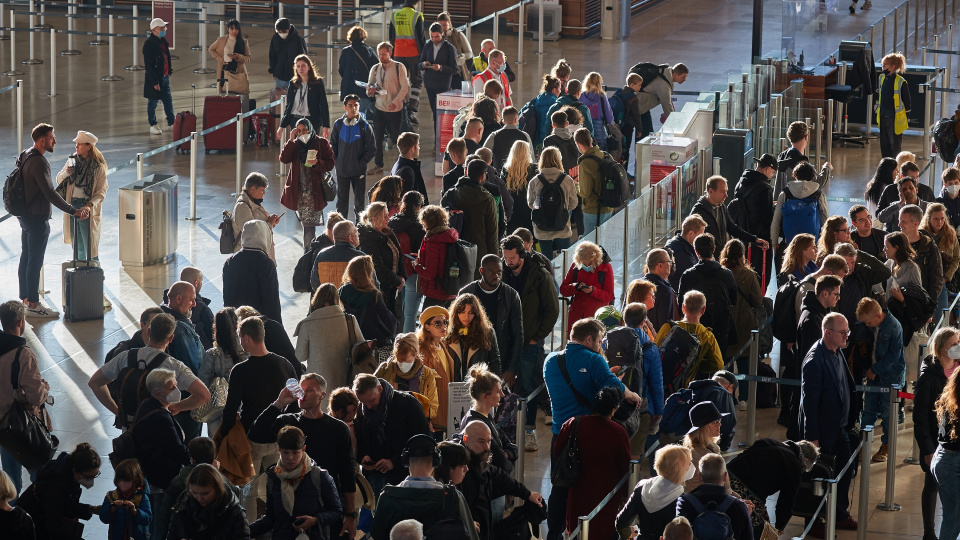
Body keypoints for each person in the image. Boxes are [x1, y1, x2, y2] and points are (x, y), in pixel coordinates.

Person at [542, 318, 639, 540]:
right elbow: (611, 385)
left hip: (560, 433)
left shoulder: (550, 360)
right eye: (599, 341)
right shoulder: (594, 359)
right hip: (588, 433)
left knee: (559, 488)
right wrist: (631, 394)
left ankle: (554, 533)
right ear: (588, 339)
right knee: (585, 490)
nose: (601, 345)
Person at [248, 374, 358, 539]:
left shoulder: (338, 428)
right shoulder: (288, 422)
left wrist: (351, 514)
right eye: (301, 389)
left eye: (310, 390)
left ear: (322, 395)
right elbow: (256, 434)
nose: (303, 394)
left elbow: (347, 471)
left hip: (324, 505)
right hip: (289, 506)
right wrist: (280, 403)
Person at [221, 316, 298, 520]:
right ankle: (281, 523)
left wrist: (224, 435)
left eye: (239, 337)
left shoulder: (240, 370)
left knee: (249, 489)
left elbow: (230, 409)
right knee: (280, 485)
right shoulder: (284, 364)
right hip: (278, 437)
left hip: (252, 438)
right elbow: (297, 399)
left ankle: (251, 529)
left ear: (247, 338)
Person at [89, 313, 211, 432]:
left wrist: (118, 411)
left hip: (129, 432)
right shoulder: (174, 366)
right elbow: (204, 395)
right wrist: (176, 407)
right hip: (158, 431)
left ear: (148, 332)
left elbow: (95, 382)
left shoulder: (126, 356)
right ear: (171, 338)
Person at [17, 124, 90, 318]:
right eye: (51, 137)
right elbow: (49, 193)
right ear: (42, 141)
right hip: (36, 218)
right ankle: (33, 304)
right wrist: (72, 210)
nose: (54, 141)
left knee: (26, 256)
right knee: (35, 260)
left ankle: (25, 299)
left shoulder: (25, 155)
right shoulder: (39, 162)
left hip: (24, 215)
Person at [799, 313, 859, 533]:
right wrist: (812, 438)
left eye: (847, 332)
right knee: (819, 478)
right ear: (828, 332)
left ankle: (839, 514)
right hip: (822, 432)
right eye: (843, 333)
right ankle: (814, 522)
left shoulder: (837, 351)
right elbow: (810, 403)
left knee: (845, 470)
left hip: (840, 427)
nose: (847, 336)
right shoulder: (815, 361)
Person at [501, 234, 560, 449]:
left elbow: (552, 310)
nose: (508, 262)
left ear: (522, 255)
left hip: (529, 342)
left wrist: (537, 337)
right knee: (504, 386)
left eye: (512, 258)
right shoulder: (501, 273)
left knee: (528, 386)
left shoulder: (539, 276)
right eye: (505, 257)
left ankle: (527, 431)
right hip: (506, 341)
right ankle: (504, 429)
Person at [555, 386, 631, 540]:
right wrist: (625, 495)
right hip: (607, 493)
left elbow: (557, 451)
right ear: (613, 409)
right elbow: (625, 467)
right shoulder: (618, 431)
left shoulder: (572, 424)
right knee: (603, 529)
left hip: (578, 488)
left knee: (578, 528)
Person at [371, 435, 479, 540]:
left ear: (405, 460)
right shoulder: (453, 497)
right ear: (437, 461)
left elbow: (377, 534)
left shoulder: (387, 497)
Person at [249, 425, 344, 540]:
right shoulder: (274, 477)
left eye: (295, 452)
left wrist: (315, 520)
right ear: (278, 449)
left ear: (303, 449)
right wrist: (243, 532)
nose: (290, 457)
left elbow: (336, 511)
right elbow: (270, 518)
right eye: (285, 452)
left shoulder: (319, 476)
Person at [128, 367, 190, 538]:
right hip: (162, 476)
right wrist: (195, 460)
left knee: (154, 518)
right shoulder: (161, 417)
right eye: (172, 388)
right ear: (158, 393)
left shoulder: (146, 404)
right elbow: (176, 449)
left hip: (149, 470)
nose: (177, 390)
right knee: (161, 524)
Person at [459, 421, 543, 540]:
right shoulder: (457, 466)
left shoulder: (481, 462)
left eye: (489, 441)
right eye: (481, 441)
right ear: (465, 439)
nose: (486, 447)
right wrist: (463, 522)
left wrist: (527, 494)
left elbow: (502, 478)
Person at [353, 373, 432, 496]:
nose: (368, 406)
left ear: (380, 389)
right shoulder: (362, 409)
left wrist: (394, 461)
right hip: (374, 475)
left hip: (403, 475)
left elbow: (422, 441)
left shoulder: (408, 404)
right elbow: (361, 437)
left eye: (372, 401)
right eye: (363, 402)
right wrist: (364, 456)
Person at [0, 300, 49, 495]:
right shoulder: (23, 354)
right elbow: (36, 396)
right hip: (24, 426)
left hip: (3, 428)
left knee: (11, 483)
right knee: (40, 476)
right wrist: (44, 388)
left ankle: (9, 519)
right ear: (20, 322)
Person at [726, 438, 819, 539]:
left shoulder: (772, 442)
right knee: (763, 532)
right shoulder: (794, 465)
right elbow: (786, 500)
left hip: (726, 477)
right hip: (747, 490)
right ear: (806, 460)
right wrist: (780, 526)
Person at [915, 327, 958, 540]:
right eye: (954, 344)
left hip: (955, 440)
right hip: (938, 443)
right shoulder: (929, 377)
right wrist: (928, 448)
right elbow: (920, 417)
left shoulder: (958, 371)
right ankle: (929, 532)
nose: (958, 347)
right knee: (931, 486)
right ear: (942, 349)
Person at [17, 442, 101, 540]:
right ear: (76, 470)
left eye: (95, 475)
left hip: (41, 520)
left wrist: (91, 509)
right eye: (89, 477)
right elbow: (54, 529)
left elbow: (66, 504)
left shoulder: (69, 473)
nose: (91, 481)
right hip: (27, 529)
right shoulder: (55, 487)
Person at [856, 298, 905, 462]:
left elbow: (894, 355)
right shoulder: (871, 324)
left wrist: (874, 370)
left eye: (869, 322)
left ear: (878, 315)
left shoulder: (894, 326)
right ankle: (863, 445)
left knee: (888, 413)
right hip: (873, 374)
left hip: (890, 376)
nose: (867, 325)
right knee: (868, 409)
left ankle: (887, 445)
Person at [677, 233, 739, 355]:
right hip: (721, 327)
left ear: (696, 251)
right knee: (719, 363)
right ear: (714, 249)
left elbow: (681, 304)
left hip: (696, 328)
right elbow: (734, 300)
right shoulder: (726, 274)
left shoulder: (688, 275)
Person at [460, 255, 523, 374]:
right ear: (481, 271)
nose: (496, 276)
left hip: (500, 359)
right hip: (471, 360)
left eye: (499, 272)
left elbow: (517, 334)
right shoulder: (466, 293)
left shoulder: (510, 295)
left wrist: (511, 370)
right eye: (491, 272)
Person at [294, 284, 364, 392]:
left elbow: (300, 356)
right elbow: (361, 348)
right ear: (337, 299)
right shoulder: (349, 320)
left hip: (318, 388)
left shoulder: (307, 324)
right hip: (345, 383)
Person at [615, 444, 692, 540]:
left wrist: (629, 537)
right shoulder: (683, 500)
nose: (691, 466)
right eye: (689, 464)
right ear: (680, 469)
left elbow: (621, 523)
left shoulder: (642, 487)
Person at [280, 117, 336, 247]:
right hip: (300, 193)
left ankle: (309, 251)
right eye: (299, 131)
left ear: (310, 129)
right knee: (307, 225)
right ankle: (311, 250)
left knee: (309, 226)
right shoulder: (295, 144)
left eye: (305, 130)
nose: (303, 133)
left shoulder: (321, 143)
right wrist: (291, 140)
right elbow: (284, 159)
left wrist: (317, 163)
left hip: (314, 192)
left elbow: (331, 163)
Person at [54, 130, 107, 263]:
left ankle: (94, 274)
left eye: (80, 144)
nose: (76, 146)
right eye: (76, 144)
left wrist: (88, 206)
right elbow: (59, 180)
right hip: (72, 206)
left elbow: (101, 191)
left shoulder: (98, 166)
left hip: (86, 207)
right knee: (76, 245)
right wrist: (66, 173)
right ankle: (80, 275)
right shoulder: (72, 160)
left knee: (90, 246)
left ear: (89, 146)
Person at [442, 159, 499, 276]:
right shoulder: (487, 200)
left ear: (466, 171)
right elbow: (492, 234)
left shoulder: (451, 194)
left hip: (454, 253)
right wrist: (494, 261)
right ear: (483, 176)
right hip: (478, 255)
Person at [676, 454, 753, 540]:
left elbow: (679, 536)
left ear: (700, 477)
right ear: (725, 476)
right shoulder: (739, 506)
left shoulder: (684, 502)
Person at [653, 291, 724, 384]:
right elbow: (718, 364)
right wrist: (697, 364)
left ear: (683, 308)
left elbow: (654, 350)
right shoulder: (706, 335)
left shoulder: (668, 327)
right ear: (703, 310)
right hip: (686, 386)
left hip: (661, 382)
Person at [693, 175, 769, 259]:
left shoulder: (721, 207)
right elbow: (692, 237)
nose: (726, 195)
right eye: (722, 191)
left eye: (726, 191)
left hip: (720, 258)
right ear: (711, 191)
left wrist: (754, 239)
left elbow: (733, 228)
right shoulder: (698, 210)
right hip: (706, 260)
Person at [166, 464, 250, 540]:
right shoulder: (182, 509)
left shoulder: (235, 513)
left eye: (205, 493)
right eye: (194, 492)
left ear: (217, 489)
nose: (199, 498)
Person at [462, 363, 518, 475]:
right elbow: (504, 464)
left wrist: (506, 454)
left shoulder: (486, 416)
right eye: (498, 392)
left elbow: (512, 447)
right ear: (484, 396)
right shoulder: (478, 424)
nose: (502, 395)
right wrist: (506, 455)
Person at [222, 220, 282, 323]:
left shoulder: (230, 262)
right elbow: (271, 302)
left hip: (237, 322)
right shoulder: (266, 264)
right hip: (258, 325)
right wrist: (278, 328)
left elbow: (227, 298)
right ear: (264, 237)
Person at [198, 308, 246, 435]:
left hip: (217, 412)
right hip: (244, 410)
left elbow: (203, 384)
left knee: (218, 449)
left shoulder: (211, 355)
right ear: (237, 326)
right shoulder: (247, 353)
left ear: (215, 329)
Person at [719, 240, 760, 387]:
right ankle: (744, 397)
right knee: (744, 360)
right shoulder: (749, 275)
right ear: (742, 255)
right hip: (745, 321)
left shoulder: (720, 272)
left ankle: (728, 394)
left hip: (726, 322)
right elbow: (757, 301)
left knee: (727, 360)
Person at [731, 154, 776, 287]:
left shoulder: (741, 182)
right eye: (773, 172)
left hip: (741, 234)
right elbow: (766, 217)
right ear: (767, 169)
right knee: (760, 275)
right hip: (759, 239)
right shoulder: (764, 189)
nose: (772, 176)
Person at [367, 42, 410, 175]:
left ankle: (402, 164)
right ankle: (378, 165)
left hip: (395, 110)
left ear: (390, 53)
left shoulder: (399, 67)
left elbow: (405, 87)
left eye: (384, 54)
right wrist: (370, 91)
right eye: (379, 54)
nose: (381, 57)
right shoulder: (375, 68)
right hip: (379, 108)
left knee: (397, 138)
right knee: (377, 138)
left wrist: (396, 102)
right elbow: (368, 88)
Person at [359, 202, 407, 320]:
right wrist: (397, 280)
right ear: (374, 219)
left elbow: (399, 254)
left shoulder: (388, 232)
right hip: (381, 288)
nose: (388, 218)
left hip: (392, 285)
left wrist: (402, 277)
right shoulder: (369, 239)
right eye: (385, 216)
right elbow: (378, 267)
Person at [332, 94, 377, 219]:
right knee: (341, 202)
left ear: (359, 106)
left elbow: (372, 148)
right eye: (350, 105)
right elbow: (333, 145)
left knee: (359, 203)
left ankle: (360, 229)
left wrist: (361, 163)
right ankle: (341, 227)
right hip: (342, 171)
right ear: (345, 107)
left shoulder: (365, 126)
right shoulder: (338, 125)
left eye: (356, 105)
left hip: (358, 172)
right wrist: (338, 161)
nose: (353, 108)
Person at [375, 333, 440, 420]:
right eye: (399, 360)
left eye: (406, 361)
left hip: (416, 421)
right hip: (389, 421)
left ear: (415, 355)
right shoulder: (385, 369)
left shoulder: (427, 374)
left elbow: (433, 407)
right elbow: (372, 393)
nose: (402, 364)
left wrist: (417, 415)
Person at [528, 147, 578, 258]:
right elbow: (573, 204)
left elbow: (531, 204)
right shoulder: (567, 180)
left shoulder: (535, 181)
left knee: (546, 261)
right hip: (562, 227)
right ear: (559, 160)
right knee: (565, 259)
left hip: (542, 229)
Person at [560, 241, 616, 337]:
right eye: (583, 264)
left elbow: (610, 295)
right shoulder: (575, 265)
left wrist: (593, 291)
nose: (586, 266)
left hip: (596, 317)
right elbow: (563, 290)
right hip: (577, 316)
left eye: (589, 263)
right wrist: (576, 287)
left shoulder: (606, 267)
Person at [340, 254, 398, 347]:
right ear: (368, 274)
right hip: (368, 344)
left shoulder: (341, 291)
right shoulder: (374, 295)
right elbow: (389, 325)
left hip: (346, 341)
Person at [390, 192, 427, 332]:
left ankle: (398, 338)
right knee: (410, 314)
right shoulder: (419, 227)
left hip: (396, 272)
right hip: (412, 272)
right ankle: (409, 343)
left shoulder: (393, 221)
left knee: (398, 310)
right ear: (418, 207)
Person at [444, 294, 502, 378]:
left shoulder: (487, 332)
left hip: (478, 385)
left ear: (476, 314)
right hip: (454, 385)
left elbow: (495, 362)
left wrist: (495, 385)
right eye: (463, 312)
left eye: (470, 313)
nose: (466, 316)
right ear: (456, 313)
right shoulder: (447, 332)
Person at [416, 306, 455, 433]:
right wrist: (427, 418)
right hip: (433, 414)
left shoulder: (443, 345)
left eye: (445, 322)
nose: (443, 326)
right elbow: (420, 387)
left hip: (446, 408)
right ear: (427, 326)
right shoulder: (422, 350)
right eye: (438, 323)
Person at [414, 205, 460, 308]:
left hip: (436, 291)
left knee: (427, 322)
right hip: (451, 289)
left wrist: (416, 266)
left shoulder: (433, 242)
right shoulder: (449, 236)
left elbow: (430, 273)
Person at [921, 202, 960, 321]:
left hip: (940, 281)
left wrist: (946, 277)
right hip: (923, 280)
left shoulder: (950, 233)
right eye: (936, 219)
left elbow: (956, 258)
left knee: (943, 317)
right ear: (929, 219)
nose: (939, 222)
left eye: (942, 218)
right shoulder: (921, 234)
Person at [390, 0, 425, 125]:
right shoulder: (417, 15)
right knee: (417, 80)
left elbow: (391, 37)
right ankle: (411, 109)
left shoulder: (394, 15)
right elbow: (420, 38)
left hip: (398, 54)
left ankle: (400, 109)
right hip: (413, 54)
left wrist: (393, 54)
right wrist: (423, 56)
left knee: (400, 82)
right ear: (416, 2)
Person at [232, 172, 280, 262]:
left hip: (259, 256)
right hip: (250, 259)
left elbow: (259, 224)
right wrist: (269, 223)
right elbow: (252, 233)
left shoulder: (253, 202)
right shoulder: (242, 206)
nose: (264, 193)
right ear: (253, 189)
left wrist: (271, 223)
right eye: (262, 190)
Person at [774, 121, 831, 197]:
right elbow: (817, 183)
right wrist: (826, 168)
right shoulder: (802, 163)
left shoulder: (782, 156)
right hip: (797, 206)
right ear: (806, 136)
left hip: (781, 203)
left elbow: (777, 185)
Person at [98, 459, 151, 540]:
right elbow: (103, 518)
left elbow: (147, 519)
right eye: (120, 480)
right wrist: (111, 509)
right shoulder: (111, 496)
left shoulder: (141, 497)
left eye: (126, 481)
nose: (122, 483)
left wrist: (135, 511)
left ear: (135, 480)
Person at [418, 22, 458, 127]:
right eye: (432, 36)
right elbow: (419, 64)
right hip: (429, 84)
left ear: (442, 33)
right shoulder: (427, 46)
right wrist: (423, 64)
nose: (434, 39)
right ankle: (438, 136)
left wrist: (441, 68)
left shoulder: (450, 48)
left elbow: (454, 69)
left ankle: (438, 138)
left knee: (438, 113)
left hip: (443, 85)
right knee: (434, 111)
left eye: (437, 36)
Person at [575, 128, 614, 235]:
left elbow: (585, 192)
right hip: (608, 206)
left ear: (578, 144)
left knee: (590, 244)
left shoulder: (585, 163)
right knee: (602, 241)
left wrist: (575, 185)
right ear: (591, 140)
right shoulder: (606, 156)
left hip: (593, 210)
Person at [633, 63, 688, 138]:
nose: (685, 80)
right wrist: (675, 127)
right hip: (639, 107)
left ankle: (640, 148)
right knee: (645, 136)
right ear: (675, 75)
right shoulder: (663, 85)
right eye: (683, 77)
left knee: (646, 134)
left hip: (643, 107)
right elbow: (667, 107)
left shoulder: (666, 73)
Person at [311, 220, 365, 292]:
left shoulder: (322, 255)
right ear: (350, 238)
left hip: (329, 301)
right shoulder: (360, 257)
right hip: (352, 302)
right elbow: (370, 284)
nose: (358, 234)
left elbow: (314, 283)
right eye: (356, 232)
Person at [142, 18, 174, 134]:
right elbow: (149, 66)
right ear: (154, 30)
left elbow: (167, 58)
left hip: (164, 77)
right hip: (155, 79)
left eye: (164, 27)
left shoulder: (163, 42)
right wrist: (155, 82)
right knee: (153, 102)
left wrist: (169, 70)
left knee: (168, 101)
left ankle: (172, 121)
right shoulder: (149, 45)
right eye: (162, 28)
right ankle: (153, 124)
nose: (164, 29)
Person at [877, 52, 911, 158]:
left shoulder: (901, 82)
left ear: (892, 67)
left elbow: (907, 103)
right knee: (884, 146)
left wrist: (906, 117)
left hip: (894, 119)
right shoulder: (882, 78)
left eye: (885, 65)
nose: (883, 68)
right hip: (883, 117)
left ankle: (895, 170)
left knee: (895, 148)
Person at [339, 26, 378, 116]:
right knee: (361, 114)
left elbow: (341, 70)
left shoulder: (346, 51)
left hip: (349, 88)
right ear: (363, 36)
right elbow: (376, 68)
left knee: (350, 115)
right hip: (364, 89)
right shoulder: (369, 50)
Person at [503, 140, 539, 235]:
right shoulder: (534, 169)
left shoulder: (506, 170)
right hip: (528, 209)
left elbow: (502, 191)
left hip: (512, 210)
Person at [208, 19, 251, 96]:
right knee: (221, 94)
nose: (234, 31)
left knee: (237, 92)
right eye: (232, 29)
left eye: (236, 29)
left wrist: (238, 56)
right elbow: (211, 49)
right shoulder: (221, 40)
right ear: (227, 29)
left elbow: (248, 58)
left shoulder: (243, 42)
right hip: (223, 68)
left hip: (237, 70)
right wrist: (221, 59)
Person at [665, 215, 707, 291]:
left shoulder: (679, 245)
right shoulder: (681, 252)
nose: (701, 238)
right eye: (700, 235)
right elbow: (694, 277)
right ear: (690, 233)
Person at [579, 72, 615, 151]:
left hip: (584, 126)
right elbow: (608, 115)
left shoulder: (581, 96)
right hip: (599, 127)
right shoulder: (601, 96)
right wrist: (609, 122)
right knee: (601, 151)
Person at [640, 249, 675, 332]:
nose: (671, 265)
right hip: (655, 341)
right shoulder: (665, 291)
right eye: (669, 262)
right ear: (660, 265)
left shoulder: (634, 285)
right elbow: (665, 326)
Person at [269, 18, 307, 89]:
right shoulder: (275, 39)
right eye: (279, 31)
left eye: (284, 31)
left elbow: (303, 58)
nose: (281, 33)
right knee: (281, 98)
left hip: (296, 76)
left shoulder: (298, 40)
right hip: (280, 76)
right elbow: (272, 56)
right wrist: (274, 72)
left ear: (289, 28)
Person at [391, 132, 430, 202]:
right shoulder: (407, 172)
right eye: (418, 145)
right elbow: (408, 200)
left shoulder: (397, 164)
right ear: (412, 149)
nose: (419, 148)